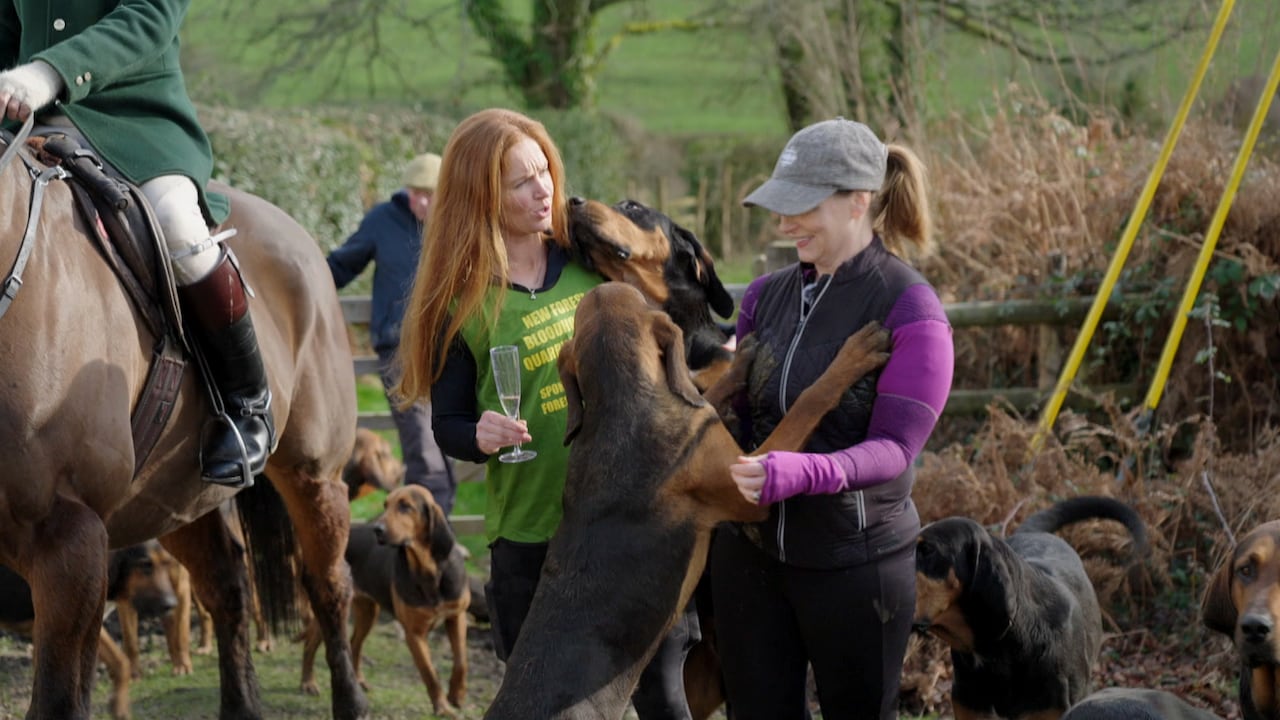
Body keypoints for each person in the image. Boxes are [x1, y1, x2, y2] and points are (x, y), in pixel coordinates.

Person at [396, 107, 699, 719]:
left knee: (666, 698)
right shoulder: (461, 301)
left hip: (630, 519)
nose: (544, 191)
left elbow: (674, 321)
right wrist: (477, 434)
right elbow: (447, 422)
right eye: (520, 182)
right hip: (532, 538)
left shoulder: (592, 265)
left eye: (545, 172)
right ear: (481, 195)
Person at [710, 117, 954, 720]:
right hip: (750, 560)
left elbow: (896, 448)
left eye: (802, 207)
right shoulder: (763, 297)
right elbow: (741, 422)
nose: (784, 223)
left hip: (856, 565)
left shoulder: (910, 306)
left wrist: (800, 473)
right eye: (779, 207)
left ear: (858, 203)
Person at [0, 1, 272, 488]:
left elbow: (150, 15)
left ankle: (246, 402)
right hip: (28, 120)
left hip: (133, 122)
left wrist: (48, 74)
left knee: (178, 228)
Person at [327, 153, 458, 514]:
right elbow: (341, 265)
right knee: (423, 451)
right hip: (399, 351)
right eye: (416, 193)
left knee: (447, 448)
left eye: (431, 194)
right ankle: (423, 542)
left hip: (448, 352)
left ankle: (434, 536)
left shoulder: (456, 224)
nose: (423, 202)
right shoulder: (382, 220)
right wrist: (302, 286)